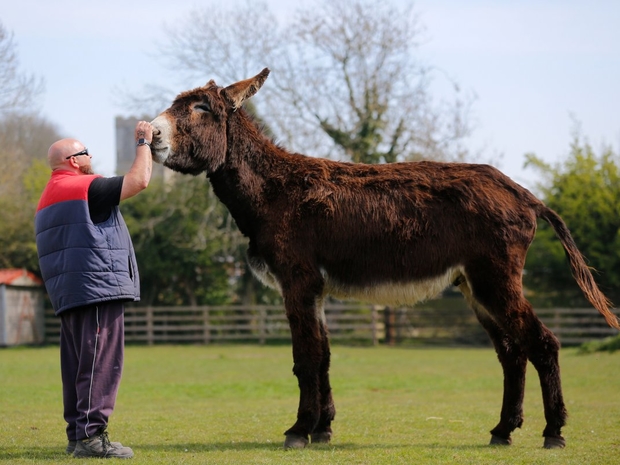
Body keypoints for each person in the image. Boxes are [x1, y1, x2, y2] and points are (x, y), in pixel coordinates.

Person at [34, 121, 154, 459]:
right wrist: (143, 142)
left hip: (68, 292)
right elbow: (139, 180)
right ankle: (91, 437)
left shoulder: (47, 197)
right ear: (73, 160)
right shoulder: (85, 187)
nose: (91, 157)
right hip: (97, 288)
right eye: (86, 152)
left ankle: (77, 436)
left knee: (76, 366)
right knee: (101, 363)